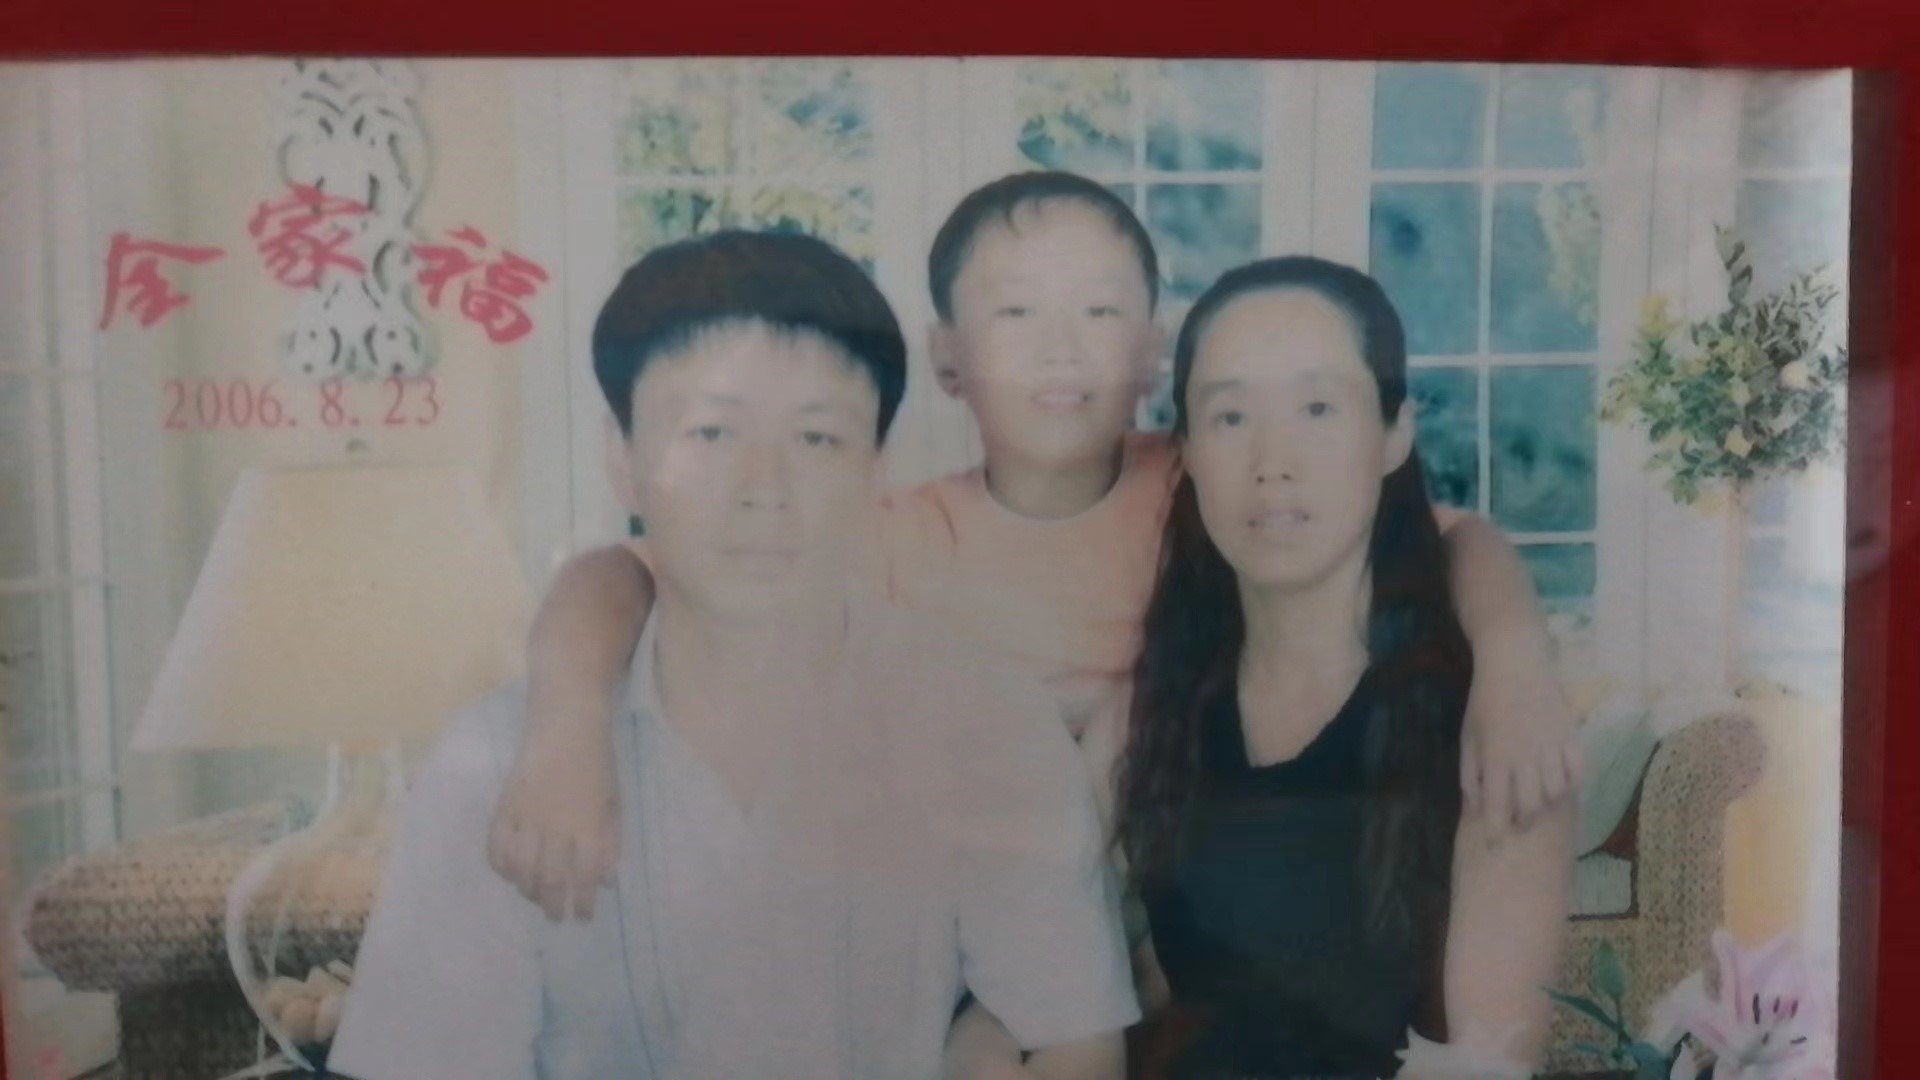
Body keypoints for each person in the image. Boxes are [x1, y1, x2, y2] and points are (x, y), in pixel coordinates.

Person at [485, 171, 1579, 926]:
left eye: (1100, 312)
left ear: (1152, 349)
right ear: (947, 357)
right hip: (985, 913)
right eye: (1015, 315)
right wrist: (565, 730)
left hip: (1198, 910)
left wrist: (1517, 665)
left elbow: (1452, 536)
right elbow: (620, 575)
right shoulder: (893, 533)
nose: (1062, 351)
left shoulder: (1216, 480)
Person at [329, 231, 1137, 1080]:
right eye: (711, 433)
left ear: (876, 468)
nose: (764, 489)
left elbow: (1071, 1037)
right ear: (622, 460)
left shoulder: (985, 724)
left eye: (816, 439)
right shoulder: (497, 762)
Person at [1111, 257, 1573, 1078]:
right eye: (1229, 416)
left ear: (1394, 433)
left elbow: (1486, 1067)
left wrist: (1512, 645)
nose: (1273, 461)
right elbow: (1031, 926)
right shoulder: (1154, 711)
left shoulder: (1495, 727)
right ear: (1187, 449)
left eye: (1318, 408)